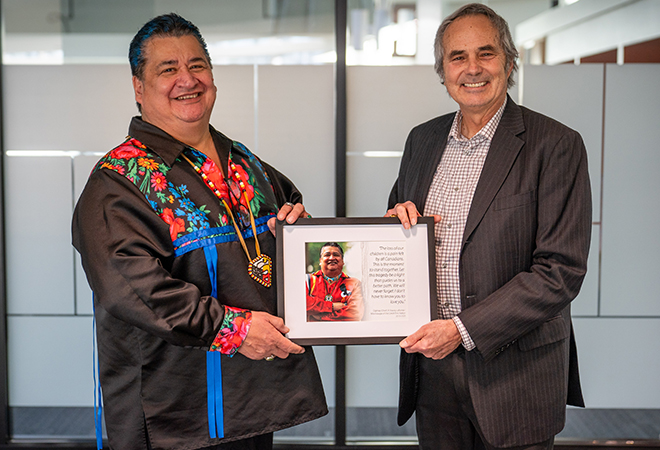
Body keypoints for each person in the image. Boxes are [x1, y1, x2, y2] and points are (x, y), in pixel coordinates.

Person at [72, 13, 327, 450]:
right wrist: (236, 329)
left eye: (197, 65)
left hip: (251, 398)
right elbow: (131, 289)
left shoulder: (245, 162)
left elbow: (291, 229)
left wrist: (297, 232)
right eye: (167, 69)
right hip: (172, 410)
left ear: (212, 76)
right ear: (138, 87)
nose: (186, 79)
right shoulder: (118, 180)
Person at [387, 3, 591, 450]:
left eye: (487, 53)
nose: (473, 68)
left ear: (510, 62)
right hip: (433, 373)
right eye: (458, 57)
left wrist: (460, 330)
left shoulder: (556, 144)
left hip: (516, 374)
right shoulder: (422, 139)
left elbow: (560, 271)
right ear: (443, 71)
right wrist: (393, 224)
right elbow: (398, 219)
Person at [306, 242, 364, 321]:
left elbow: (355, 313)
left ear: (343, 261)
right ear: (320, 261)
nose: (331, 258)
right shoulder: (308, 280)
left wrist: (321, 317)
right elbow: (303, 304)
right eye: (327, 255)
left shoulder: (354, 284)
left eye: (336, 254)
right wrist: (332, 306)